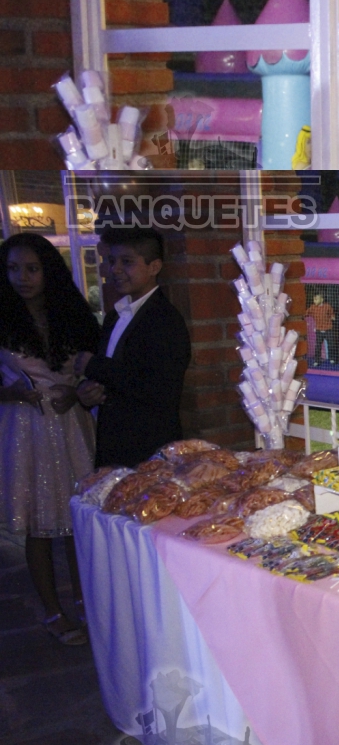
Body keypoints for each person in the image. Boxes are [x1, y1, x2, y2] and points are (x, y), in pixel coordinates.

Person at [0, 232, 101, 645]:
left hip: (71, 422)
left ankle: (86, 601)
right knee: (38, 525)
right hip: (24, 426)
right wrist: (9, 393)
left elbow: (94, 370)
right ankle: (52, 611)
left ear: (49, 271)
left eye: (31, 269)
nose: (21, 278)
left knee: (79, 518)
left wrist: (76, 392)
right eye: (12, 269)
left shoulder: (71, 314)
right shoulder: (3, 317)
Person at [74, 226, 191, 468]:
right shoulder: (114, 316)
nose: (115, 269)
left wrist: (94, 365)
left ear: (154, 267)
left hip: (148, 446)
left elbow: (159, 388)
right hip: (114, 443)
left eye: (126, 262)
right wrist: (89, 391)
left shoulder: (164, 319)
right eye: (112, 260)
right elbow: (113, 378)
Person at [308, 292, 335, 363]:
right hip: (319, 329)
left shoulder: (327, 306)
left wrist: (332, 317)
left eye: (316, 299)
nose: (314, 301)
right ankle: (317, 360)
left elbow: (332, 314)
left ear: (322, 299)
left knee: (331, 344)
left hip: (328, 329)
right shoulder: (313, 307)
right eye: (314, 299)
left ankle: (332, 358)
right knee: (318, 346)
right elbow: (307, 313)